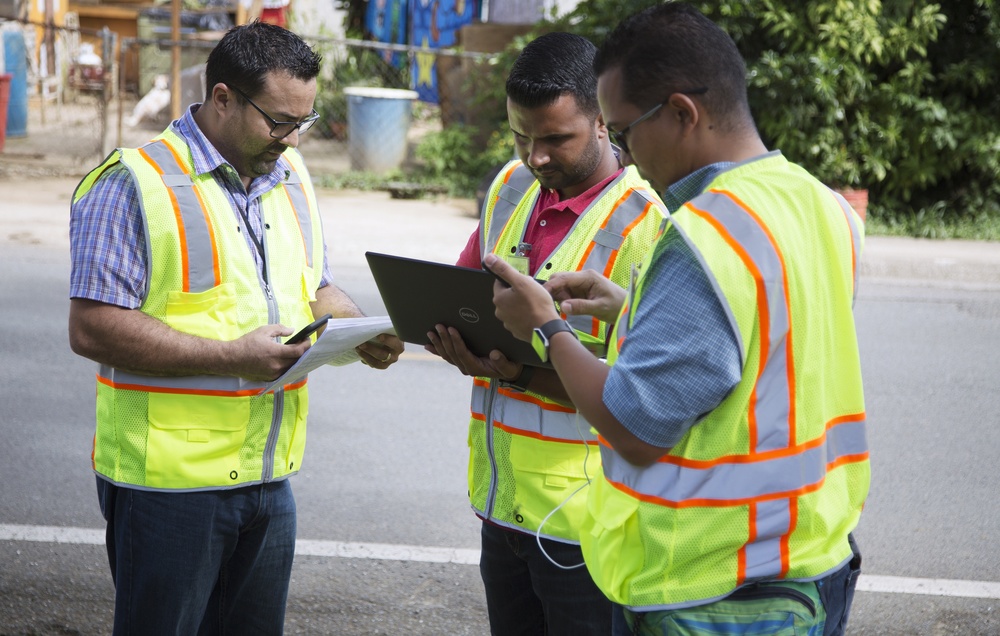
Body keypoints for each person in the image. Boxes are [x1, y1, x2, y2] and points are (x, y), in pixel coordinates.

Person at [485, 4, 868, 636]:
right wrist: (632, 308)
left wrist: (548, 326)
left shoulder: (704, 234)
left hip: (715, 584)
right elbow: (762, 345)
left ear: (682, 113)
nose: (628, 157)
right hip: (815, 556)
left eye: (626, 132)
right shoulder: (821, 204)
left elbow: (636, 428)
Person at [68, 21, 403, 634]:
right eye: (279, 120)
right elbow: (93, 329)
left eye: (303, 120)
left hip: (268, 479)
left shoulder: (289, 175)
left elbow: (314, 283)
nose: (293, 138)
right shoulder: (132, 183)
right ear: (222, 98)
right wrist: (231, 357)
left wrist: (357, 328)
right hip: (167, 487)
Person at [425, 31, 666, 636]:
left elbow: (642, 403)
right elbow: (466, 292)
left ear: (605, 121)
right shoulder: (511, 186)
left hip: (588, 527)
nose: (535, 156)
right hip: (502, 511)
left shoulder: (648, 227)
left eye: (556, 138)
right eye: (521, 136)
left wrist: (518, 370)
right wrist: (453, 335)